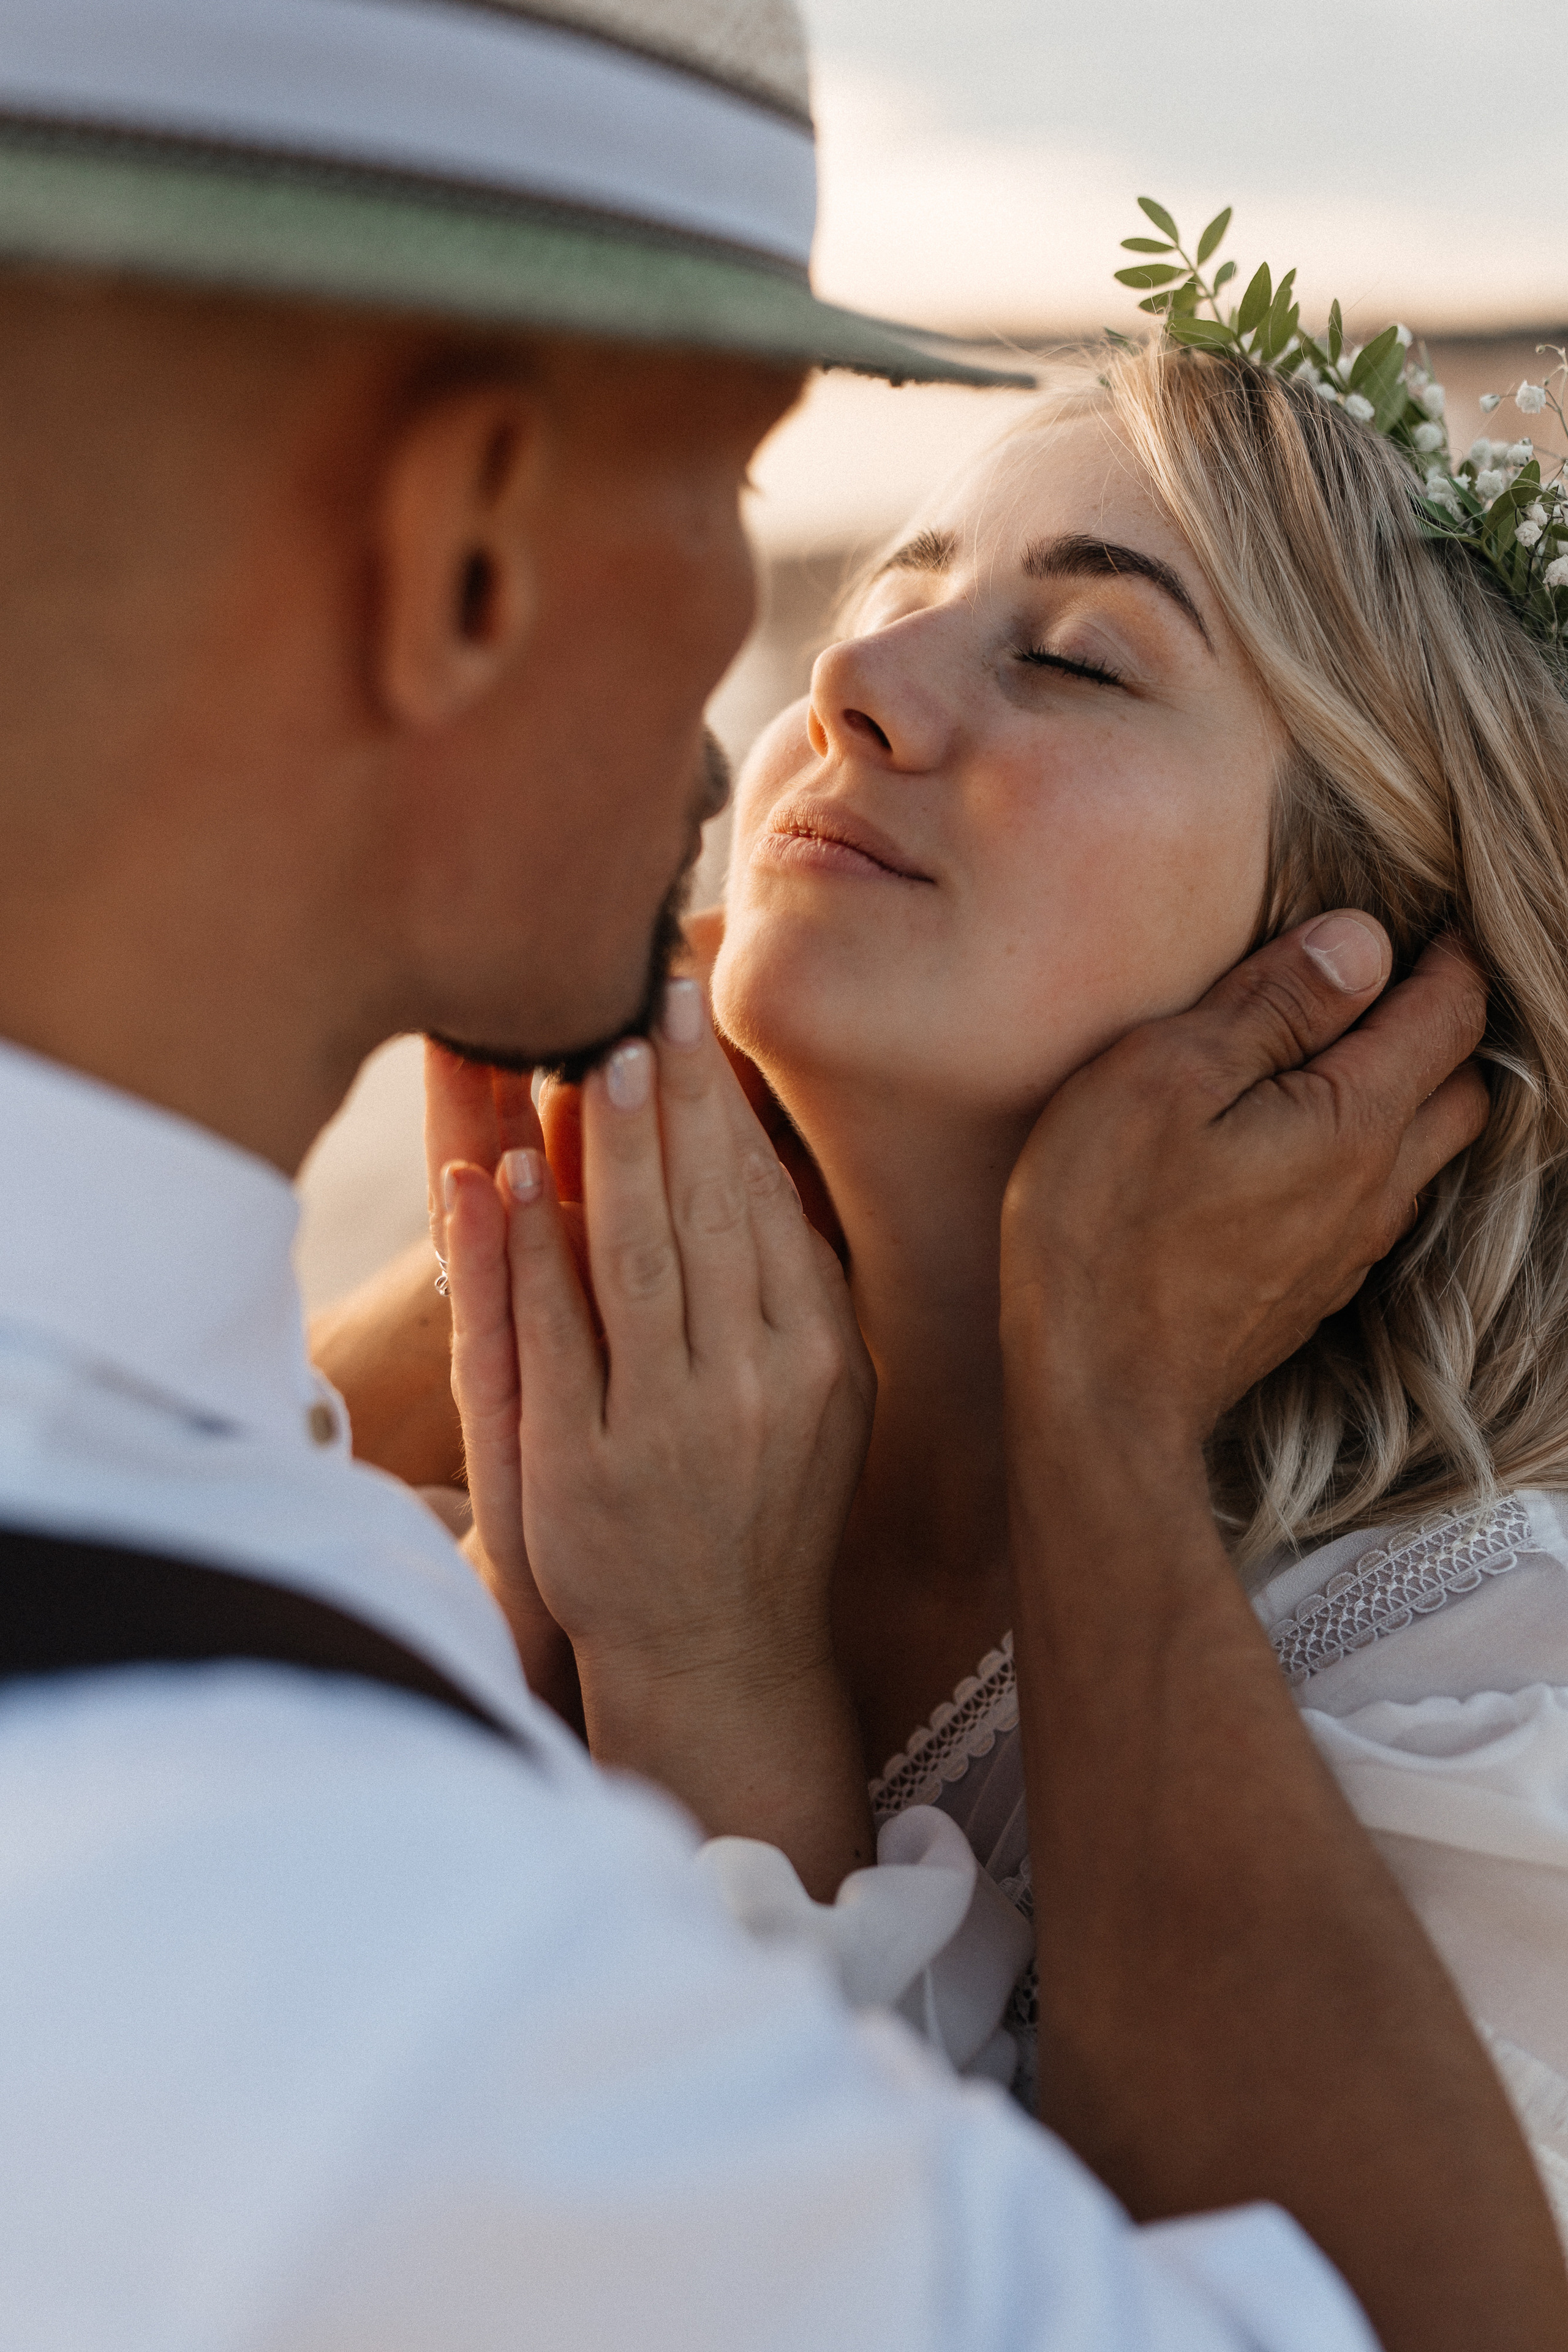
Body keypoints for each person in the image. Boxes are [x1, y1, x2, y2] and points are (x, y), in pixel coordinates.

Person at [0, 5, 1559, 2345]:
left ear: (1365, 968)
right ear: (462, 556)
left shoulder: (1482, 1693)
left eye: (1080, 662)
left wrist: (1046, 1442)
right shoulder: (479, 1508)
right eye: (873, 569)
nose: (851, 678)